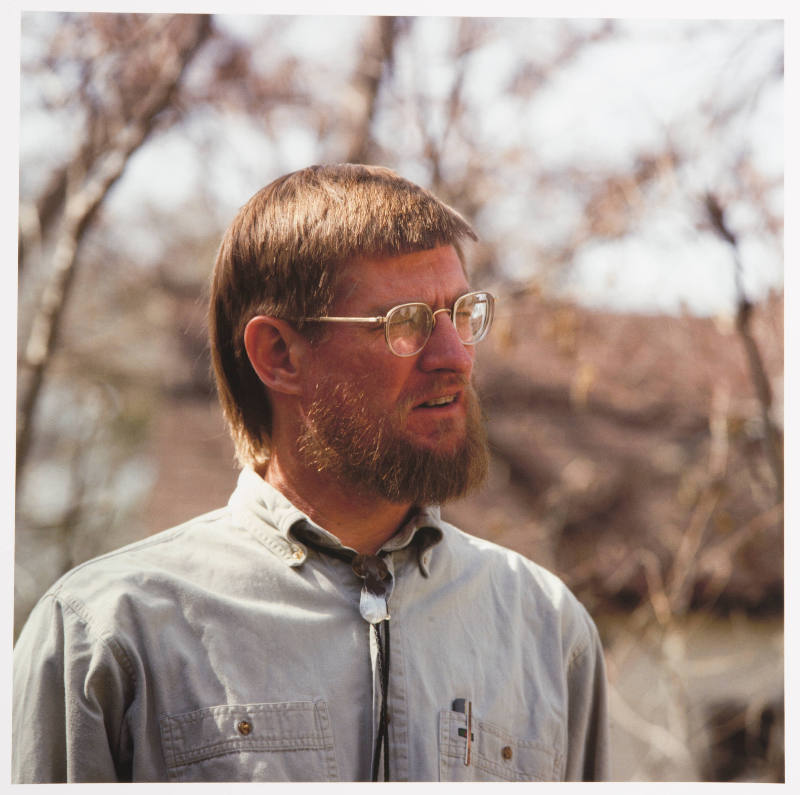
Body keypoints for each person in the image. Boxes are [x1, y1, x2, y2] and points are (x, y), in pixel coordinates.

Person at [13, 163, 610, 783]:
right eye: (404, 323)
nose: (455, 356)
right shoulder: (106, 633)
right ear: (279, 355)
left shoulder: (548, 629)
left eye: (463, 312)